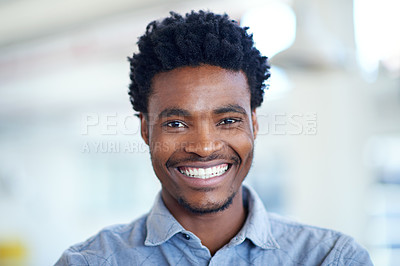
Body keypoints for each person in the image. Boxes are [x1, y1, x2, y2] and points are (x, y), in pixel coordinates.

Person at [56, 10, 373, 265]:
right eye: (177, 124)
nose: (204, 146)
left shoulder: (331, 258)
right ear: (145, 130)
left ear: (254, 125)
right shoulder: (90, 261)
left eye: (229, 120)